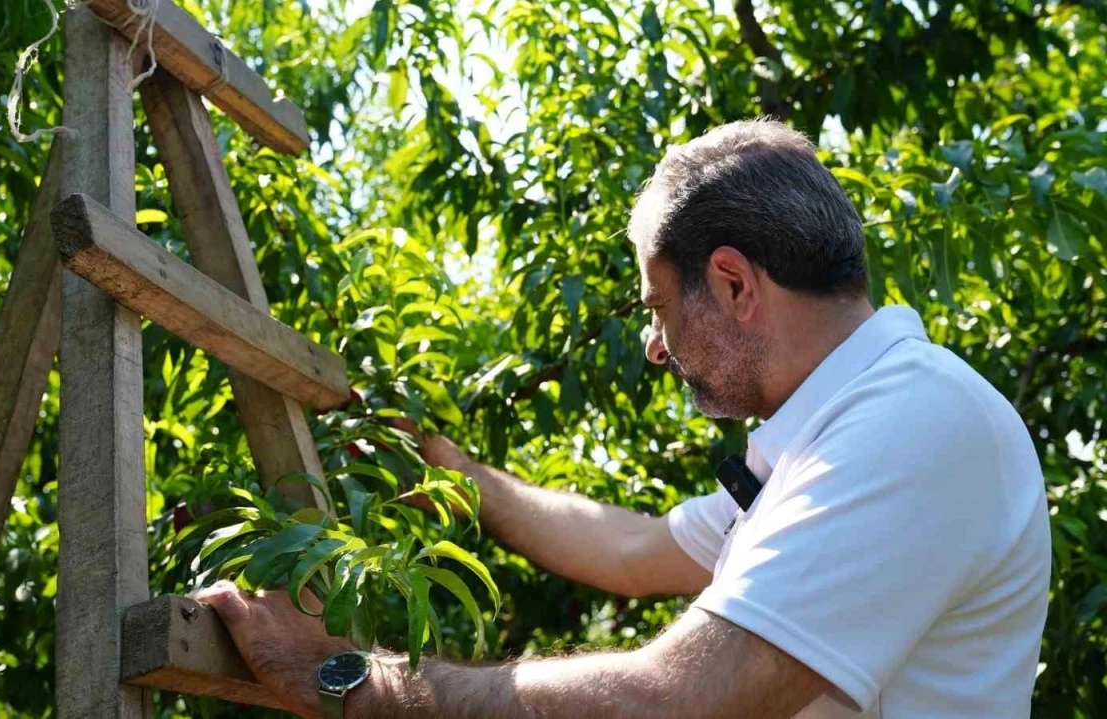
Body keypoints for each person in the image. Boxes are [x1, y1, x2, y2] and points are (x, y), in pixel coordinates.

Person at [195, 119, 1051, 719]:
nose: (654, 345)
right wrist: (449, 469)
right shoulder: (832, 433)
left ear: (733, 284)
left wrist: (351, 682)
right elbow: (635, 550)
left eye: (656, 307)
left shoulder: (911, 425)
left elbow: (677, 699)